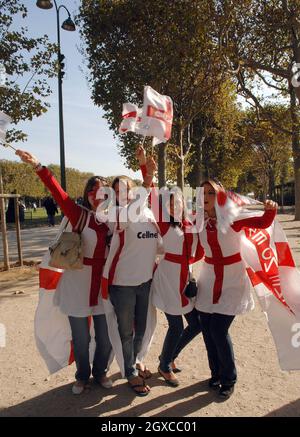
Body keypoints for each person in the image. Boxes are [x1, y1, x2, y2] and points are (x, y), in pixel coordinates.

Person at [16, 149, 113, 395]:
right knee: (80, 339)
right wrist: (39, 166)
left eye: (101, 191)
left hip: (102, 287)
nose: (96, 195)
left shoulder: (116, 220)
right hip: (77, 285)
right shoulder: (79, 216)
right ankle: (82, 375)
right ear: (88, 195)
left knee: (105, 338)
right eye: (92, 191)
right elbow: (58, 194)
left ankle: (100, 371)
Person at [195, 178, 277, 399]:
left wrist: (270, 209)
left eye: (211, 193)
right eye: (202, 193)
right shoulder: (198, 220)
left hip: (232, 279)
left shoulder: (234, 219)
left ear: (220, 195)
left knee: (218, 330)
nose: (206, 197)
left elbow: (263, 222)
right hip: (208, 278)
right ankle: (215, 374)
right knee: (207, 330)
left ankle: (229, 378)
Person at [136, 146, 203, 387]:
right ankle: (164, 366)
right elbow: (151, 195)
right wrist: (146, 166)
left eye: (179, 202)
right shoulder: (164, 223)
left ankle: (170, 356)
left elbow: (199, 249)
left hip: (185, 279)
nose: (175, 206)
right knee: (176, 326)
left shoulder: (190, 223)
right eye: (171, 203)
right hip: (167, 279)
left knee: (196, 323)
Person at [101, 155, 160, 396]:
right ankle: (130, 371)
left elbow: (161, 242)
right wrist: (147, 177)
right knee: (126, 331)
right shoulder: (114, 214)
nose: (121, 193)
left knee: (142, 328)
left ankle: (135, 361)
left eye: (125, 188)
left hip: (144, 282)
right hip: (122, 284)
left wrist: (148, 168)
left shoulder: (148, 214)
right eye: (116, 190)